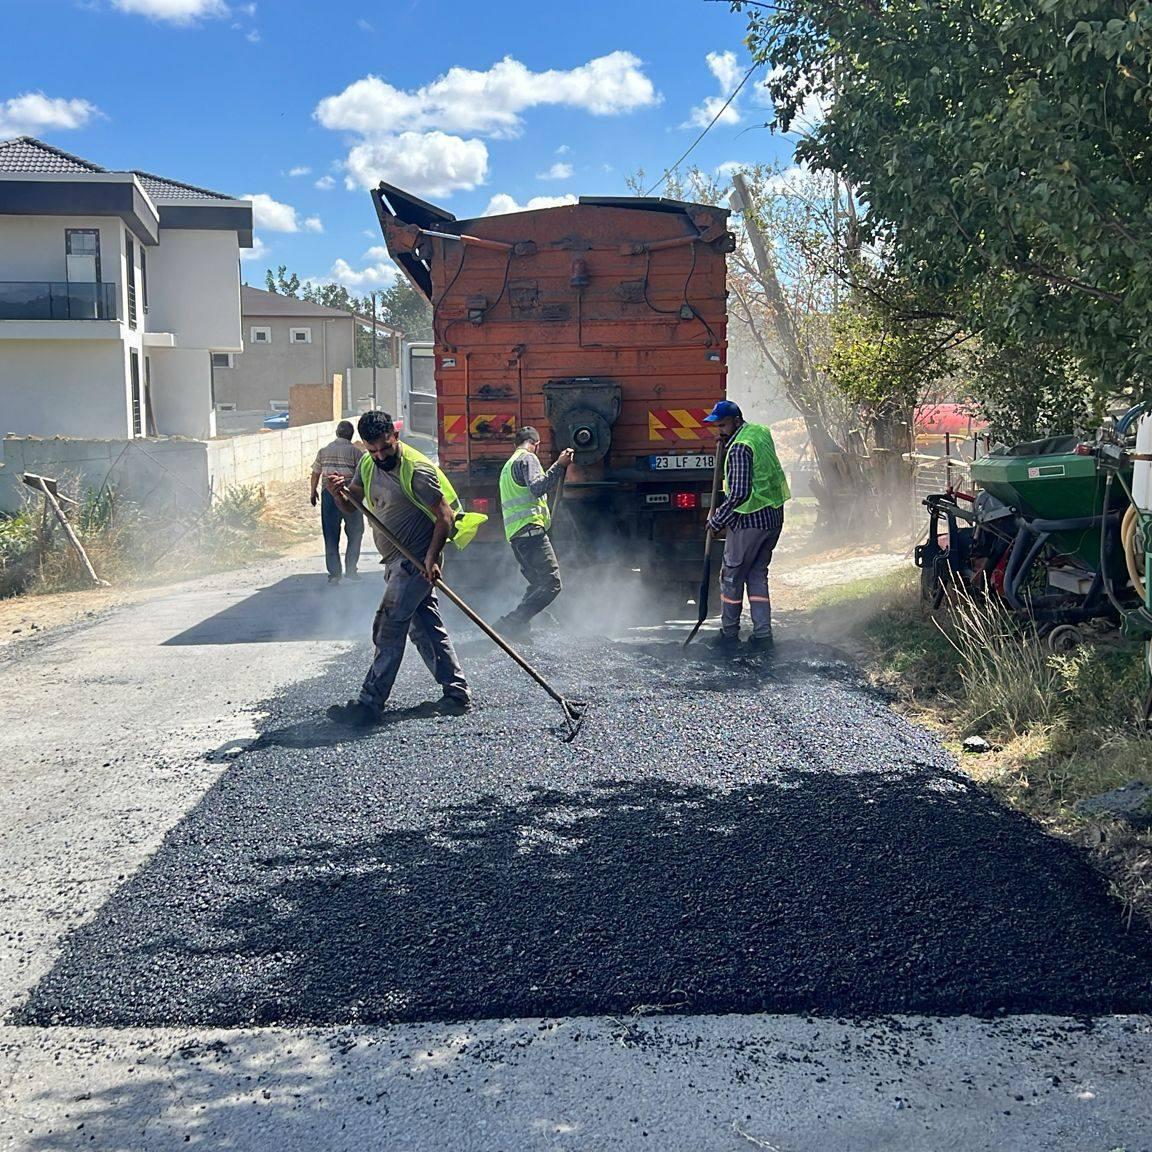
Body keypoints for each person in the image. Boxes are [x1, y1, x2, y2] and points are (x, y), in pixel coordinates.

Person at [324, 410, 483, 727]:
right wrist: (336, 492)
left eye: (385, 447)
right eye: (373, 450)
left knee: (389, 626)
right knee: (425, 628)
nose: (380, 455)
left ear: (394, 436)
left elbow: (445, 516)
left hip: (415, 561)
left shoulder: (417, 470)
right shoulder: (368, 464)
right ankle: (456, 694)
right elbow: (352, 505)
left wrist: (431, 558)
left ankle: (369, 704)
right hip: (396, 561)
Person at [703, 399, 790, 652]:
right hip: (773, 518)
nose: (719, 430)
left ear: (736, 421)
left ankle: (729, 634)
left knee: (731, 576)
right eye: (716, 425)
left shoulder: (740, 448)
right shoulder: (759, 433)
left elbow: (740, 493)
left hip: (750, 520)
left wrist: (717, 520)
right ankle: (763, 635)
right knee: (756, 575)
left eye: (722, 425)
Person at [496, 427, 574, 637]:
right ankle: (511, 622)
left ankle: (518, 628)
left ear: (515, 444)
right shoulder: (527, 459)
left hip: (517, 535)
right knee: (552, 583)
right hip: (530, 532)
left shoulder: (508, 465)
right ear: (536, 444)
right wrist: (559, 465)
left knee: (538, 583)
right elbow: (538, 487)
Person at [310, 420, 364, 584]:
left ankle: (334, 574)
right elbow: (362, 477)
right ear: (351, 434)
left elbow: (315, 473)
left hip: (329, 494)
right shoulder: (356, 453)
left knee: (331, 534)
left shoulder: (323, 451)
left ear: (337, 433)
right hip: (351, 495)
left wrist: (313, 492)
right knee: (355, 533)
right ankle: (351, 570)